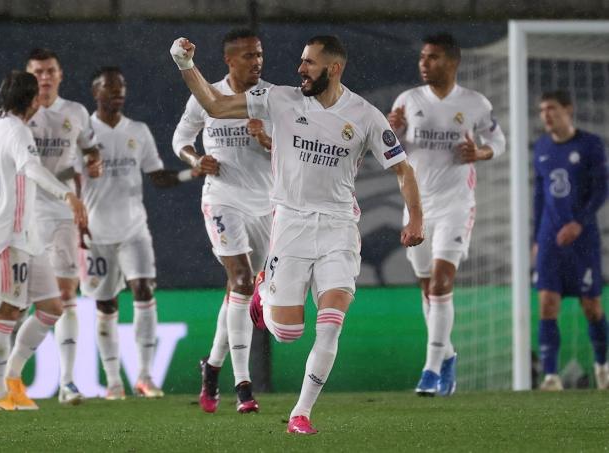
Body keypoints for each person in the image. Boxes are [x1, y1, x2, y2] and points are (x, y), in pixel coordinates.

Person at [170, 34, 424, 434]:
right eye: (301, 61)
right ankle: (263, 288)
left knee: (332, 320)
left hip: (340, 226)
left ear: (334, 68)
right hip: (289, 223)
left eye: (309, 63)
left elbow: (403, 169)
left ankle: (300, 413)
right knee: (287, 332)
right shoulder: (281, 99)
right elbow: (215, 105)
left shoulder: (364, 115)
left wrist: (415, 220)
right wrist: (185, 64)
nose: (300, 69)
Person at [387, 33, 506, 396]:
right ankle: (448, 355)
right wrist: (394, 132)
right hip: (419, 209)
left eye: (433, 57)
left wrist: (480, 154)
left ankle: (430, 370)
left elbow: (498, 142)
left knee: (441, 283)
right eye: (423, 57)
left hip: (456, 204)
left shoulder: (474, 103)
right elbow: (392, 151)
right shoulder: (408, 101)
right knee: (428, 288)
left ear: (452, 62)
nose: (425, 63)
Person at [80, 66, 198, 400]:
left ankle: (145, 376)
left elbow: (157, 176)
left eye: (122, 87)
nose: (118, 92)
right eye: (110, 88)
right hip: (96, 234)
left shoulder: (139, 131)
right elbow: (69, 178)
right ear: (96, 93)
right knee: (106, 305)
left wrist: (191, 174)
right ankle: (114, 381)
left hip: (134, 230)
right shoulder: (83, 132)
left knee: (144, 290)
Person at [172, 28, 272, 414]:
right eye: (248, 56)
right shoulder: (206, 96)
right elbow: (181, 139)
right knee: (244, 282)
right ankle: (243, 386)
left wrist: (268, 141)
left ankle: (211, 367)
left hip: (265, 205)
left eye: (260, 55)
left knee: (238, 291)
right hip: (222, 198)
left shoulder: (271, 98)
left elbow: (292, 151)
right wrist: (195, 160)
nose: (257, 62)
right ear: (230, 60)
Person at [0, 71, 88, 411]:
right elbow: (31, 168)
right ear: (32, 101)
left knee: (52, 307)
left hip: (27, 236)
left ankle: (12, 376)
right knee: (7, 312)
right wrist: (67, 196)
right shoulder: (16, 129)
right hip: (7, 237)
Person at [25, 48, 102, 405]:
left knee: (68, 293)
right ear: (29, 76)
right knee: (23, 298)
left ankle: (68, 382)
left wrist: (93, 162)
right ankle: (10, 378)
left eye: (50, 70)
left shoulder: (76, 112)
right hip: (24, 213)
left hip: (62, 213)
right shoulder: (17, 116)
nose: (44, 77)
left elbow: (90, 150)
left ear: (60, 74)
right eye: (38, 71)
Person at [532, 90, 608, 391]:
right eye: (541, 110)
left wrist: (580, 222)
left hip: (583, 239)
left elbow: (601, 190)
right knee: (547, 303)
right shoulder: (541, 147)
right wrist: (535, 237)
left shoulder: (590, 145)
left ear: (568, 110)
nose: (546, 115)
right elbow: (539, 195)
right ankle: (551, 377)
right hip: (550, 238)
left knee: (591, 306)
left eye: (551, 108)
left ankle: (602, 366)